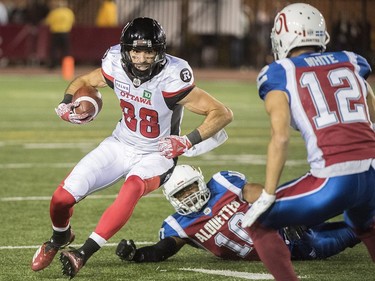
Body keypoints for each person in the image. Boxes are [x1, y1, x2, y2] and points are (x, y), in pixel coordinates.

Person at [31, 17, 233, 279]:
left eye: (149, 51)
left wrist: (187, 140)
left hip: (157, 152)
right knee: (61, 199)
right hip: (120, 143)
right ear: (125, 51)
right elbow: (85, 81)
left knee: (133, 186)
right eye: (135, 51)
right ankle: (60, 237)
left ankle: (83, 253)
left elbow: (222, 113)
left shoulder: (172, 77)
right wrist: (67, 102)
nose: (141, 58)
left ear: (160, 52)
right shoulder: (114, 64)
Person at [237, 2, 375, 280]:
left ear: (281, 38)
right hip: (372, 173)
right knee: (364, 224)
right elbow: (371, 115)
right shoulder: (352, 60)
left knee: (257, 222)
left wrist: (269, 193)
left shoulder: (279, 72)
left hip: (333, 179)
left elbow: (281, 136)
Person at [115, 165, 360, 264]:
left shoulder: (223, 184)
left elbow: (260, 193)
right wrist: (137, 255)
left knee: (336, 195)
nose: (189, 195)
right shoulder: (178, 226)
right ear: (171, 199)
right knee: (358, 229)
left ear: (200, 182)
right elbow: (163, 249)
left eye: (190, 187)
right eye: (182, 193)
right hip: (298, 249)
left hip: (286, 221)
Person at [44, 0, 75, 68]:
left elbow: (47, 22)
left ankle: (53, 65)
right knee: (66, 50)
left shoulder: (54, 12)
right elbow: (72, 21)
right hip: (65, 33)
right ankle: (66, 66)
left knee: (54, 50)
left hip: (55, 33)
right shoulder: (69, 12)